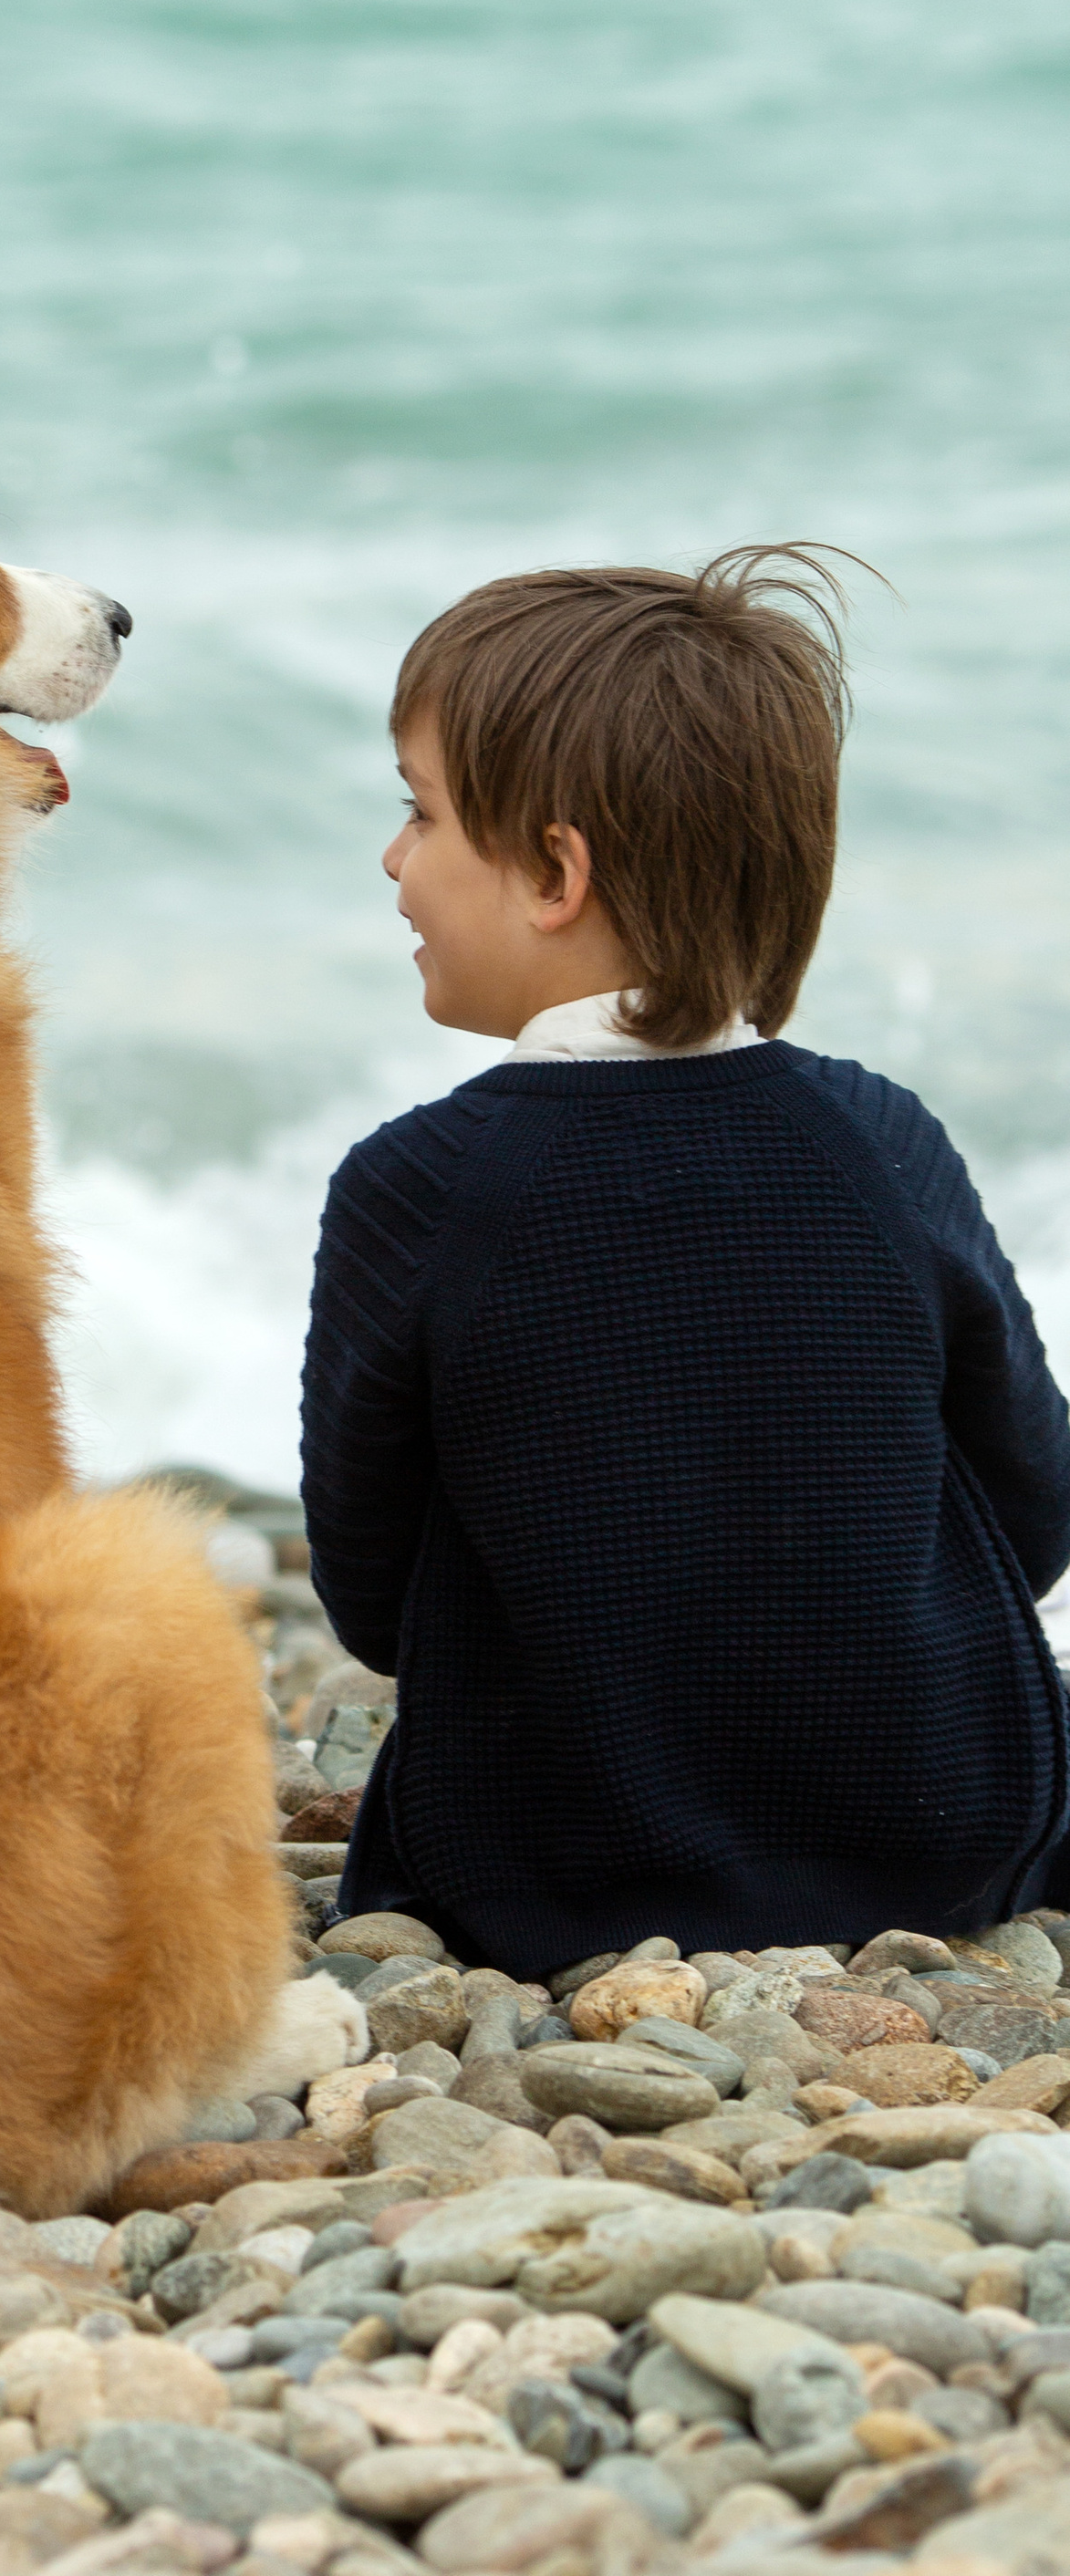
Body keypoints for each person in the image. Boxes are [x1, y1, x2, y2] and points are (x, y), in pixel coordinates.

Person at [301, 551, 1070, 1976]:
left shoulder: (417, 1187)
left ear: (558, 873)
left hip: (539, 1873)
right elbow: (1033, 1511)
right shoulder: (881, 1139)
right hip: (940, 1837)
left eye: (419, 812)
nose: (394, 859)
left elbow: (372, 1597)